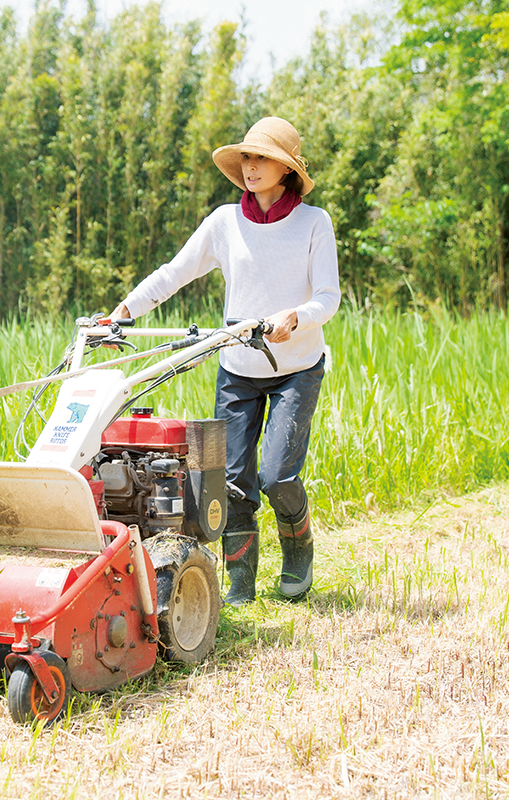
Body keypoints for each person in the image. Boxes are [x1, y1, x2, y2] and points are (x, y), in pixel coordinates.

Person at [109, 116, 340, 604]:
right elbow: (175, 273)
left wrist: (294, 317)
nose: (252, 167)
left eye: (264, 158)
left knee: (277, 475)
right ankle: (241, 580)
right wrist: (125, 311)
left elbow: (328, 298)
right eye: (248, 158)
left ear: (287, 169)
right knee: (232, 479)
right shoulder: (223, 222)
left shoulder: (313, 223)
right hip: (238, 368)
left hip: (296, 368)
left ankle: (298, 552)